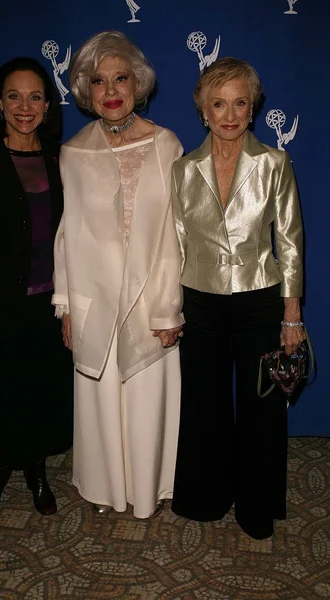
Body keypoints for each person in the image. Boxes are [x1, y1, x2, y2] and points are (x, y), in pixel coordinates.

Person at [171, 57, 304, 539]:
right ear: (203, 110)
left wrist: (292, 314)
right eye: (218, 104)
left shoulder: (274, 163)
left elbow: (288, 240)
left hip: (260, 300)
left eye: (240, 103)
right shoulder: (183, 170)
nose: (229, 114)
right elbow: (176, 244)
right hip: (200, 301)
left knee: (261, 408)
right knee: (204, 405)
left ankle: (256, 506)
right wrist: (172, 307)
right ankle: (204, 497)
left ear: (253, 108)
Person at [52, 31, 184, 519]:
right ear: (86, 90)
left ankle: (148, 490)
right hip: (96, 296)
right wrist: (65, 304)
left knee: (148, 398)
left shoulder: (166, 143)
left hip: (152, 295)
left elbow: (175, 231)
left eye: (120, 78)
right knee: (102, 398)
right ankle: (108, 488)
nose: (111, 89)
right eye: (99, 80)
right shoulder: (74, 152)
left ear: (138, 82)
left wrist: (170, 305)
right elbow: (68, 233)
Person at [0, 57, 73, 517]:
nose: (25, 106)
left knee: (43, 388)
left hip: (51, 301)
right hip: (2, 304)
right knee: (4, 389)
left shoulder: (63, 157)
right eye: (14, 96)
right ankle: (2, 463)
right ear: (0, 104)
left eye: (35, 96)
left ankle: (36, 468)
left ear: (48, 104)